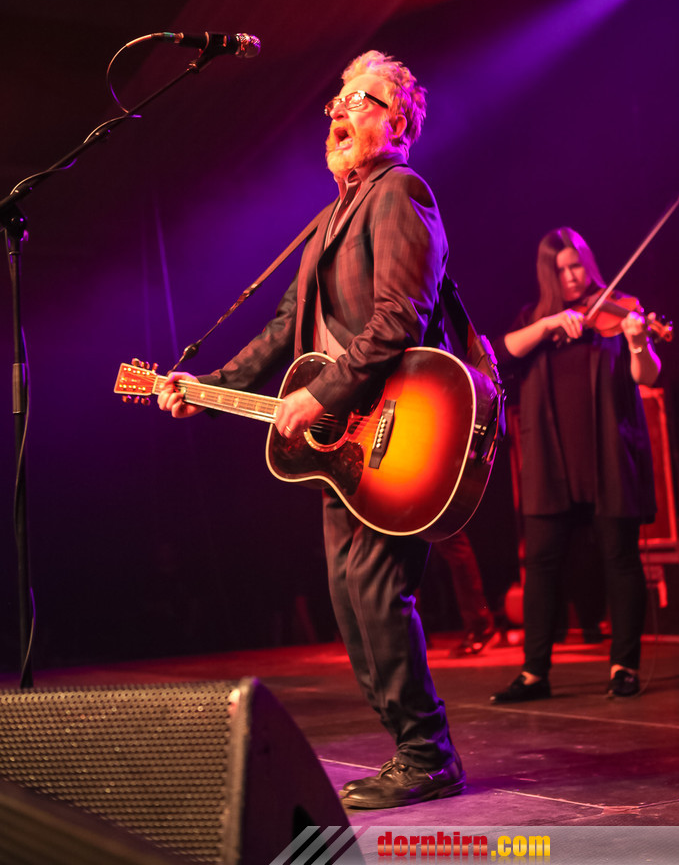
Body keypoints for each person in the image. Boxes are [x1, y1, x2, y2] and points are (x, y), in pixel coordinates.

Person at [158, 51, 465, 809]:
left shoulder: (401, 191)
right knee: (351, 594)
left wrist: (323, 390)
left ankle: (427, 754)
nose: (338, 110)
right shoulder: (328, 221)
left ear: (397, 124)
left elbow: (401, 317)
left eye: (359, 100)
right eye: (336, 100)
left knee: (376, 590)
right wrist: (210, 389)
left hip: (398, 428)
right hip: (345, 445)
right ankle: (415, 750)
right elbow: (280, 331)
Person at [491, 227, 660, 704]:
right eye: (560, 269)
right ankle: (533, 674)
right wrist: (549, 324)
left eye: (576, 265)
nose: (570, 276)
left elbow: (648, 374)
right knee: (541, 565)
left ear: (588, 263)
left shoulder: (620, 310)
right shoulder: (535, 320)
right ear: (548, 273)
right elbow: (502, 353)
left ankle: (624, 666)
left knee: (620, 559)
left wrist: (638, 342)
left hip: (608, 457)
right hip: (552, 464)